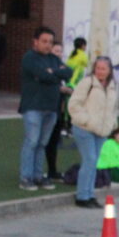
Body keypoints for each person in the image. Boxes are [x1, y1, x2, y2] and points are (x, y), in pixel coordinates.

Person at [18, 26, 72, 191]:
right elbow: (43, 75)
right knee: (32, 142)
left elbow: (68, 72)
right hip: (33, 106)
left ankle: (38, 175)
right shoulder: (29, 58)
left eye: (50, 42)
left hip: (51, 107)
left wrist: (52, 72)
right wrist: (55, 74)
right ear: (35, 42)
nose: (47, 45)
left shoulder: (53, 59)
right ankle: (26, 177)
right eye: (44, 41)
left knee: (42, 143)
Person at [67, 56, 119, 208]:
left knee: (94, 162)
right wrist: (86, 120)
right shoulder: (87, 83)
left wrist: (112, 123)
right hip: (84, 128)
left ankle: (90, 194)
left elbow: (114, 107)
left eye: (103, 69)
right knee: (89, 159)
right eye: (98, 68)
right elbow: (74, 104)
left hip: (102, 130)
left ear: (109, 70)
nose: (100, 72)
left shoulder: (112, 86)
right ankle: (82, 196)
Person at [43, 42, 74, 182]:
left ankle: (52, 170)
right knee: (43, 141)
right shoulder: (46, 64)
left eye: (61, 51)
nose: (59, 53)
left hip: (59, 110)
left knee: (54, 141)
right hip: (47, 109)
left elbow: (68, 74)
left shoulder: (60, 66)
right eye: (56, 50)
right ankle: (36, 171)